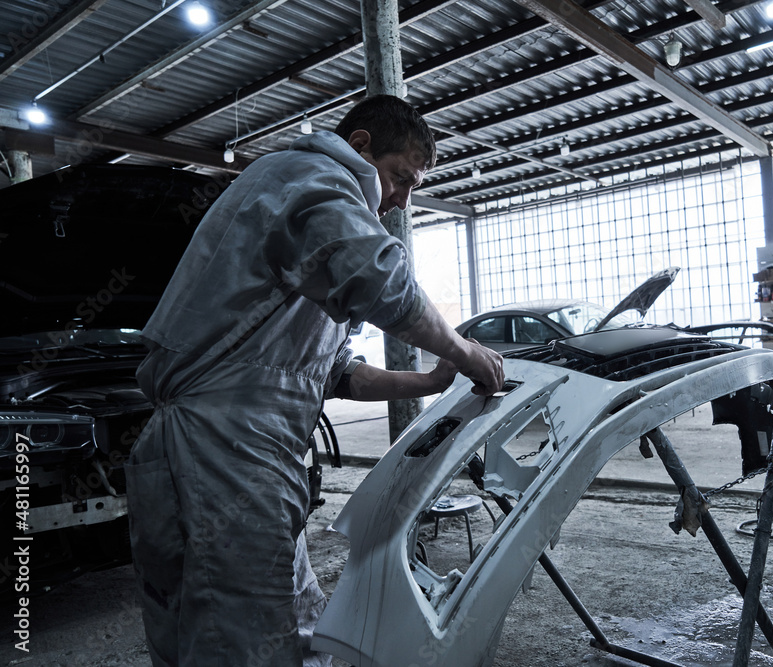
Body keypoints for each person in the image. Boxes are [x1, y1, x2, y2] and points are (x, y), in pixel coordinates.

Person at [124, 94, 503, 667]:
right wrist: (464, 350)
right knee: (245, 633)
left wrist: (428, 382)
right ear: (360, 146)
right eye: (401, 178)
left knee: (276, 622)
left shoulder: (308, 227)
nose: (403, 200)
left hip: (241, 448)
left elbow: (332, 374)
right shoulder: (308, 175)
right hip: (226, 443)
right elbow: (379, 279)